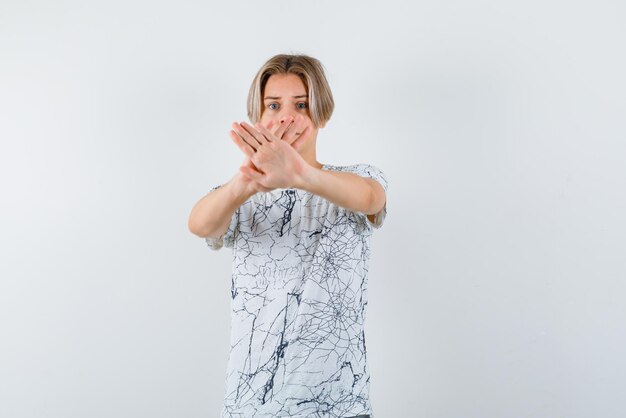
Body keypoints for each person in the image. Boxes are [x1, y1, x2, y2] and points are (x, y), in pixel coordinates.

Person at [188, 53, 387, 418]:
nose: (286, 116)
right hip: (253, 402)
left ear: (321, 113)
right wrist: (244, 182)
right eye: (273, 105)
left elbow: (371, 198)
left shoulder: (356, 178)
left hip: (339, 404)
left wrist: (300, 175)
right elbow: (200, 224)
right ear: (258, 117)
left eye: (301, 104)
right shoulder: (239, 195)